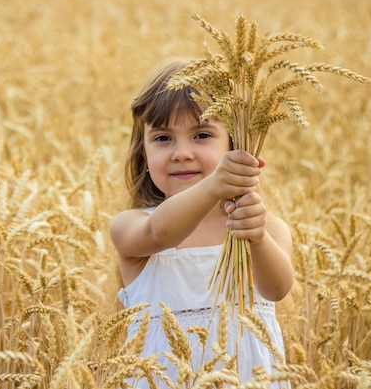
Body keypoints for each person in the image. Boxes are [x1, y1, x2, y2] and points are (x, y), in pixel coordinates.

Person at [110, 58, 295, 388]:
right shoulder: (132, 227)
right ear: (143, 153)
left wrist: (257, 238)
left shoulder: (266, 229)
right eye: (163, 138)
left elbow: (277, 289)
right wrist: (214, 185)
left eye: (202, 134)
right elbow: (159, 232)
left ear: (234, 147)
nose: (181, 152)